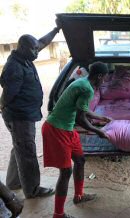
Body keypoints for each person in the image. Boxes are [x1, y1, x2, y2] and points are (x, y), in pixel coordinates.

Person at [0, 20, 61, 198]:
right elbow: (7, 95)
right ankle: (32, 190)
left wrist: (56, 30)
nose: (37, 52)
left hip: (24, 114)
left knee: (19, 147)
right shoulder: (14, 67)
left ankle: (14, 181)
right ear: (22, 47)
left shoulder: (25, 55)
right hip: (19, 116)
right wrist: (2, 107)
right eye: (33, 49)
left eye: (36, 49)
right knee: (27, 151)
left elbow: (41, 42)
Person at [42, 62, 111, 218]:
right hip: (56, 129)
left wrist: (100, 117)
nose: (105, 81)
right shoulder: (87, 89)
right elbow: (81, 119)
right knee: (66, 172)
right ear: (99, 76)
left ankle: (79, 196)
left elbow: (82, 110)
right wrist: (98, 131)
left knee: (80, 160)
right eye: (105, 78)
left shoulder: (82, 82)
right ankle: (58, 214)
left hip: (67, 128)